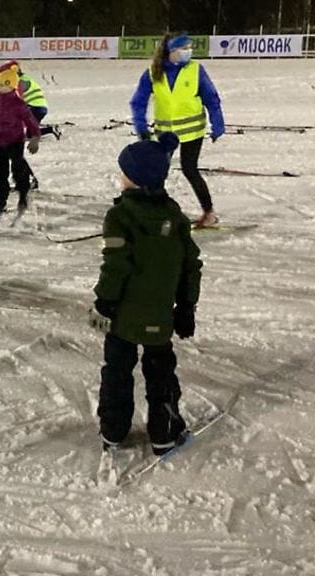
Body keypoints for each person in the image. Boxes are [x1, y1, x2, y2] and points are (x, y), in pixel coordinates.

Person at [90, 131, 203, 457]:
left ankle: (113, 430)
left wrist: (104, 302)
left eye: (123, 172)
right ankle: (163, 433)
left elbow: (115, 265)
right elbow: (190, 265)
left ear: (135, 179)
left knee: (117, 372)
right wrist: (186, 306)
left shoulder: (120, 216)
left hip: (123, 317)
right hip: (159, 315)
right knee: (161, 374)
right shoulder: (174, 215)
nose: (119, 177)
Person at [130, 33, 225, 228]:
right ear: (170, 52)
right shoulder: (153, 72)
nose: (188, 52)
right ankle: (156, 211)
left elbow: (211, 98)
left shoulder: (196, 70)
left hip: (193, 131)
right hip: (166, 132)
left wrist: (218, 123)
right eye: (183, 48)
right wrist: (140, 125)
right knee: (157, 172)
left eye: (189, 48)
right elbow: (138, 101)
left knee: (190, 170)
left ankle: (208, 213)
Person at [0, 65, 40, 215]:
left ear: (12, 86)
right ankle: (1, 200)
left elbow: (31, 122)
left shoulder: (19, 104)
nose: (0, 88)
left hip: (15, 142)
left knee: (18, 169)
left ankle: (23, 194)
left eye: (4, 85)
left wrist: (35, 137)